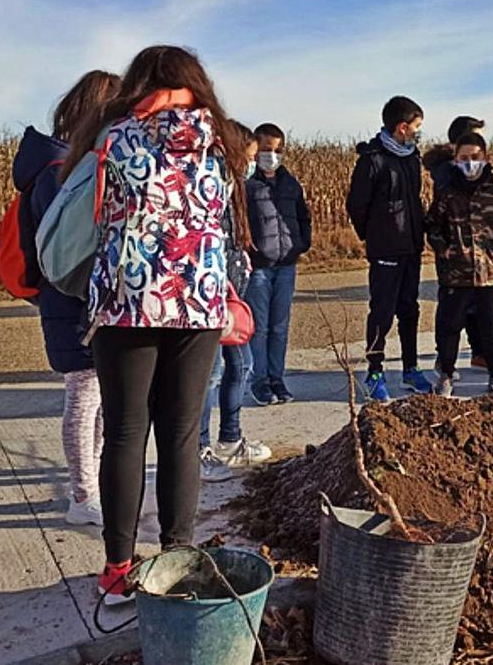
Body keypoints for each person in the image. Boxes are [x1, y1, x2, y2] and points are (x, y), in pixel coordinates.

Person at [63, 45, 252, 605]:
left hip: (125, 302)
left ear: (138, 84)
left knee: (123, 432)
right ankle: (178, 558)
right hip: (197, 303)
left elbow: (86, 218)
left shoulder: (114, 137)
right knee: (181, 433)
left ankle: (118, 571)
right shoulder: (222, 144)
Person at [12, 70, 121, 527]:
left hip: (76, 298)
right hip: (73, 299)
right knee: (83, 395)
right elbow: (73, 247)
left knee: (100, 397)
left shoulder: (61, 167)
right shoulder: (62, 173)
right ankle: (83, 495)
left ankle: (90, 483)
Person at [346, 95, 431, 402]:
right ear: (402, 127)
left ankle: (411, 368)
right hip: (385, 248)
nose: (420, 132)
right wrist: (375, 234)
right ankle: (375, 371)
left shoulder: (411, 156)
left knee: (410, 308)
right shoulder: (372, 159)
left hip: (411, 246)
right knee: (382, 311)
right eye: (417, 126)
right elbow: (357, 204)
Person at [200, 122, 272, 479]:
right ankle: (199, 450)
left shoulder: (232, 185)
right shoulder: (208, 180)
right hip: (210, 294)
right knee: (209, 374)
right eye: (249, 156)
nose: (252, 163)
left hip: (231, 292)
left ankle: (230, 438)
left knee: (239, 363)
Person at [426, 132, 493, 398]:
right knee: (449, 323)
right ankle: (445, 374)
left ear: (485, 158)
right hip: (456, 273)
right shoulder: (447, 195)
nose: (470, 163)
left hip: (488, 273)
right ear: (455, 161)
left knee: (488, 323)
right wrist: (445, 252)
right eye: (464, 158)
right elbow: (433, 226)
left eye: (475, 157)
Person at [243, 122, 311, 406]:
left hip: (287, 264)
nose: (273, 155)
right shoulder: (248, 185)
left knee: (280, 326)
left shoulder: (290, 183)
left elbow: (303, 216)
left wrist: (302, 243)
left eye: (278, 150)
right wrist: (249, 251)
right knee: (260, 327)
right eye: (267, 150)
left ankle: (277, 378)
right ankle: (259, 381)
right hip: (259, 266)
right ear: (256, 150)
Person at [423, 116, 488, 371]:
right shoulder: (446, 173)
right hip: (454, 249)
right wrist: (444, 247)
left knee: (476, 303)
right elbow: (437, 218)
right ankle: (444, 358)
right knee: (453, 307)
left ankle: (479, 350)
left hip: (478, 249)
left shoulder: (477, 171)